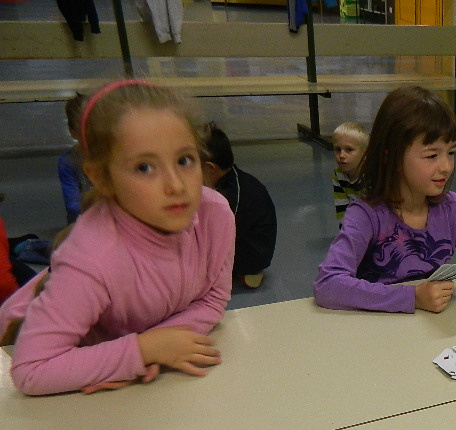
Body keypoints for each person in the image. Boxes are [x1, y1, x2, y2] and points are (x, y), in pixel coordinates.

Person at [0, 80, 234, 396]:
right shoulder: (93, 257)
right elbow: (32, 370)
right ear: (102, 177)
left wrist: (159, 345)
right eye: (145, 167)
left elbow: (214, 297)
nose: (177, 185)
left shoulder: (214, 214)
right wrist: (141, 350)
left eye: (184, 160)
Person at [314, 86, 456, 314]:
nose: (446, 167)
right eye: (432, 155)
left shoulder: (451, 210)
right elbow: (328, 284)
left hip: (434, 328)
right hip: (381, 328)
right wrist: (412, 297)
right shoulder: (366, 215)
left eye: (451, 152)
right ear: (391, 157)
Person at [201, 122, 278, 289]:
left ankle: (246, 271)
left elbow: (220, 239)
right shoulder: (229, 180)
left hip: (251, 256)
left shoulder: (232, 196)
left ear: (210, 168)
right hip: (242, 237)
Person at [58, 92, 91, 224]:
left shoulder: (112, 155)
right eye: (83, 130)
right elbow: (73, 205)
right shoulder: (67, 162)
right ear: (73, 132)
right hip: (82, 222)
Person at [331, 121, 368, 226]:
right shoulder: (338, 175)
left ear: (365, 153)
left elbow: (377, 211)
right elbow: (342, 209)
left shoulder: (371, 174)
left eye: (349, 150)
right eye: (337, 149)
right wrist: (346, 231)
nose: (341, 155)